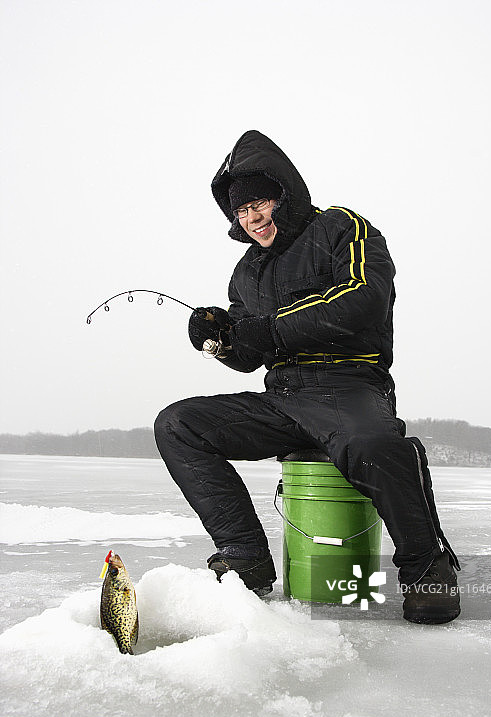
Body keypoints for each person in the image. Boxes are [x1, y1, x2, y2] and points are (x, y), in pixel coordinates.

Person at [154, 130, 461, 624]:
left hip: (350, 384)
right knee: (178, 424)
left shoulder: (342, 228)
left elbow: (363, 300)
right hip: (282, 399)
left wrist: (267, 329)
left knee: (374, 447)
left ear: (285, 193)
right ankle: (245, 559)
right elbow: (250, 354)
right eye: (241, 211)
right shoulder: (245, 273)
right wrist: (220, 340)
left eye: (259, 202)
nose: (252, 218)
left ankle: (428, 569)